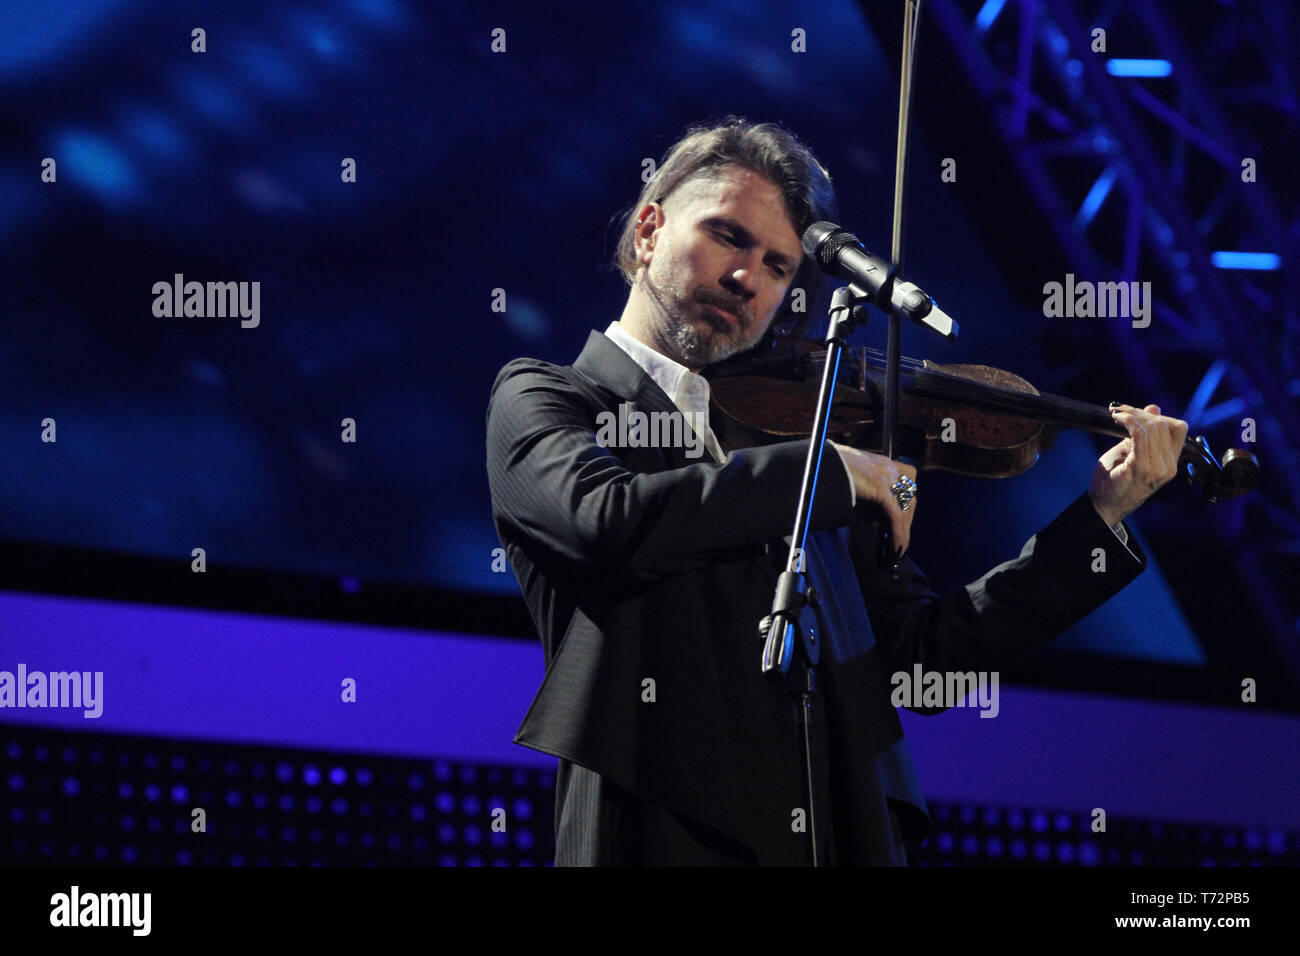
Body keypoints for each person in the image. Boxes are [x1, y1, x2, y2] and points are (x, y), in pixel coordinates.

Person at [484, 117, 1188, 865]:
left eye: (780, 266)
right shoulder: (551, 397)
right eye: (728, 236)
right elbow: (605, 520)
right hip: (662, 825)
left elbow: (923, 665)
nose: (748, 278)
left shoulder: (804, 444)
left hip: (835, 826)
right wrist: (831, 473)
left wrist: (1100, 521)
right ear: (651, 229)